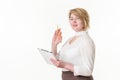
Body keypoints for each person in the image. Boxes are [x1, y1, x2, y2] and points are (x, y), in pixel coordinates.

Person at [50, 8, 95, 80]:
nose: (74, 21)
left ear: (84, 20)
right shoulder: (70, 39)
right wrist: (54, 44)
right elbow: (59, 59)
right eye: (71, 19)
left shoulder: (86, 40)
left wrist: (65, 65)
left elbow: (88, 70)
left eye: (77, 18)